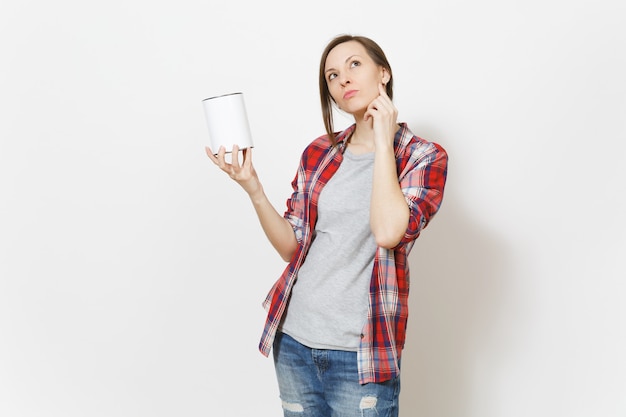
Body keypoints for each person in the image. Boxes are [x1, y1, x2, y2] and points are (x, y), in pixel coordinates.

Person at [206, 34, 448, 417]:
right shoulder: (320, 152)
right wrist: (252, 188)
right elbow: (292, 246)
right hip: (295, 342)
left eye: (354, 65)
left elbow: (388, 232)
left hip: (361, 355)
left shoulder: (423, 156)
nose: (343, 80)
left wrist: (383, 143)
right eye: (332, 75)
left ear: (383, 73)